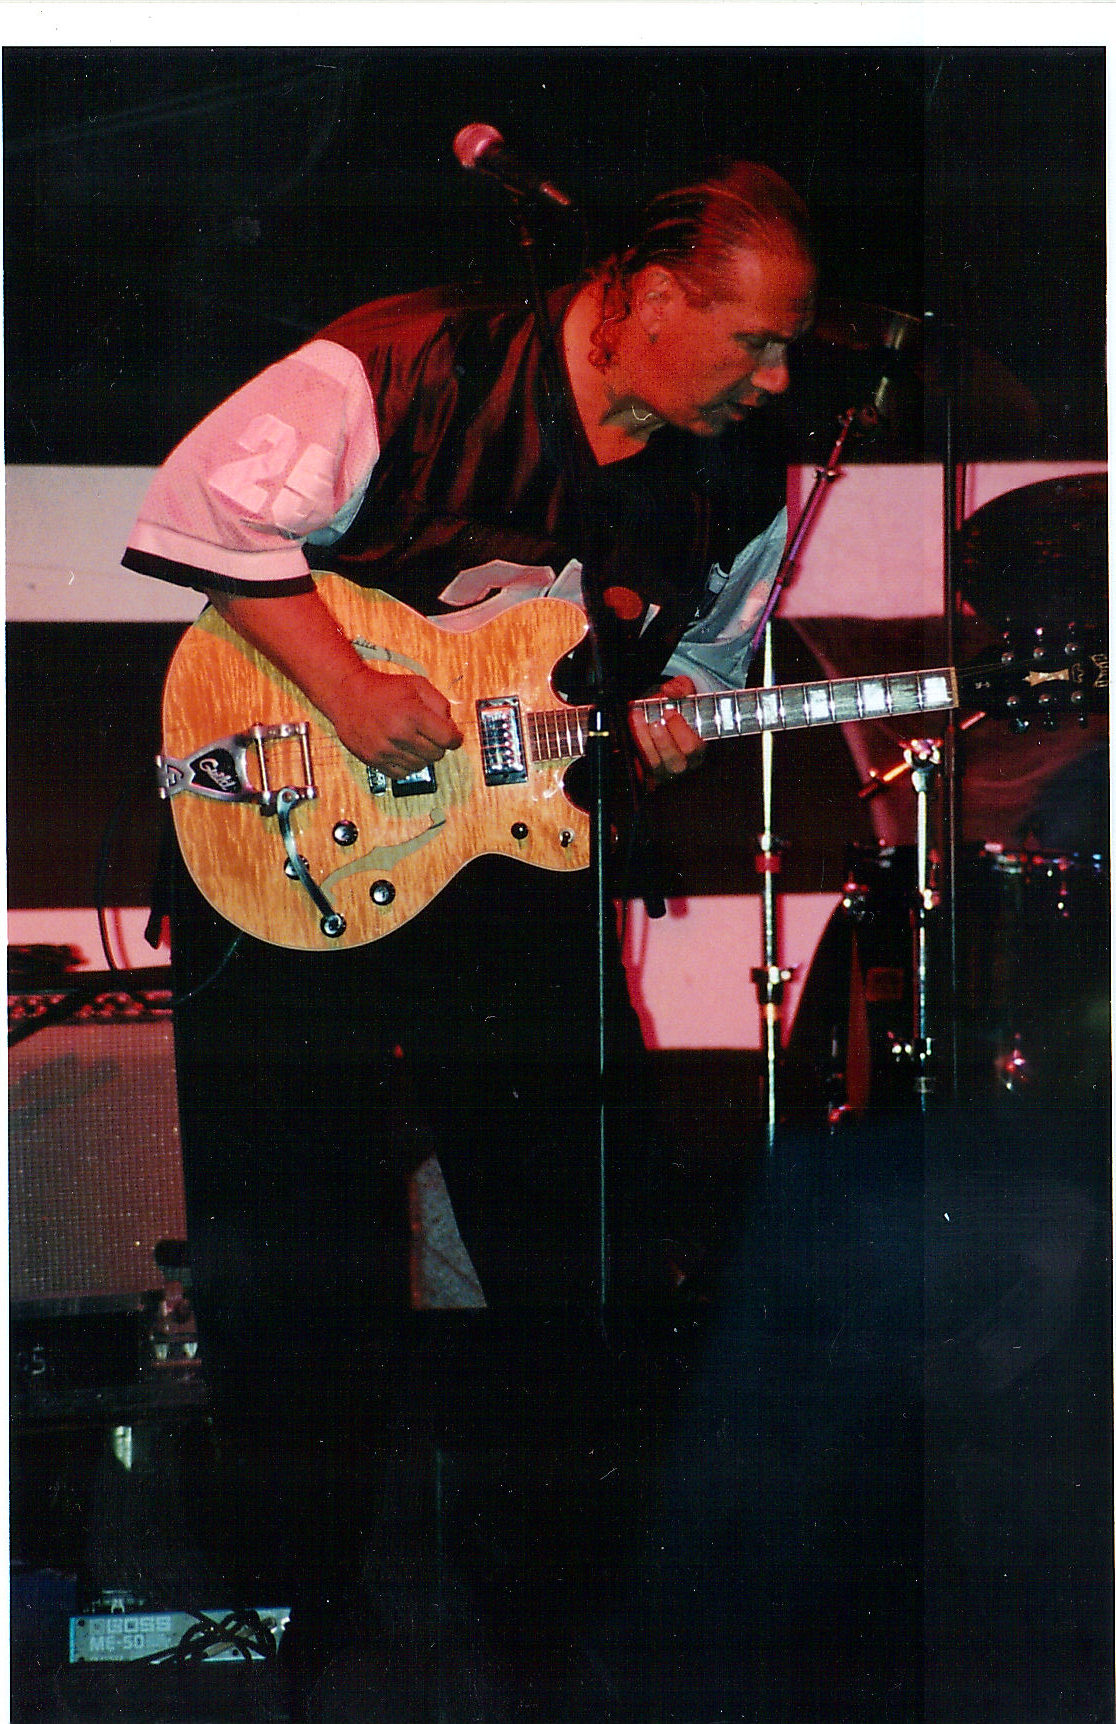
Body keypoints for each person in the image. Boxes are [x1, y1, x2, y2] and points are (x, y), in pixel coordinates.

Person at [123, 159, 817, 1716]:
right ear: (652, 299)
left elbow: (705, 657)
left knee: (581, 1229)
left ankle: (561, 1614)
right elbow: (200, 506)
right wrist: (352, 688)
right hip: (294, 824)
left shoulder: (739, 476)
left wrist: (675, 718)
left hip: (512, 854)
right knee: (292, 1239)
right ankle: (306, 1611)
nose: (778, 379)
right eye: (757, 341)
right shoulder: (406, 360)